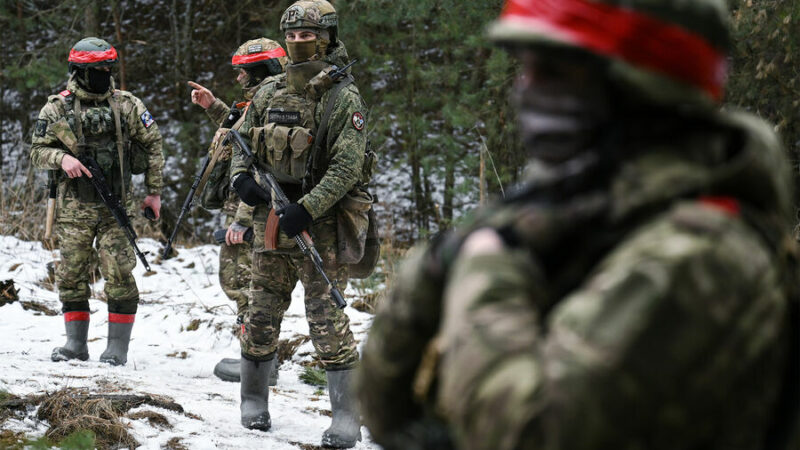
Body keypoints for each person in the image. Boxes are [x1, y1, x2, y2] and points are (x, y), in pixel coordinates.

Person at [358, 1, 800, 449]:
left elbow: (535, 436)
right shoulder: (571, 210)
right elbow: (384, 413)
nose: (526, 91)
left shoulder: (701, 255)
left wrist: (487, 272)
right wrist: (430, 276)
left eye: (553, 72)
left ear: (640, 90)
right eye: (526, 69)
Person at [230, 1, 373, 446]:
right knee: (260, 313)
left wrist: (307, 208)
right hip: (270, 217)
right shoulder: (269, 91)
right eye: (291, 36)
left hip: (321, 226)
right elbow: (242, 137)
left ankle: (347, 416)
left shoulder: (342, 96)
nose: (298, 42)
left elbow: (347, 168)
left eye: (307, 35)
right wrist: (240, 179)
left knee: (327, 321)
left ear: (326, 36)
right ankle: (253, 399)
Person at [31, 37, 164, 366]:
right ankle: (75, 345)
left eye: (107, 67)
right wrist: (62, 159)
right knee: (72, 275)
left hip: (115, 208)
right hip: (74, 210)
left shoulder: (127, 105)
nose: (103, 74)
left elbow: (153, 145)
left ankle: (117, 350)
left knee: (119, 273)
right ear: (78, 71)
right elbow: (37, 151)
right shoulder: (57, 107)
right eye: (96, 69)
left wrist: (154, 191)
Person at [189, 38, 288, 384]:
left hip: (252, 211)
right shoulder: (266, 100)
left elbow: (259, 165)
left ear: (260, 71)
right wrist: (214, 106)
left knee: (244, 283)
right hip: (248, 208)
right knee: (247, 284)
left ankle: (259, 363)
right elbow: (240, 134)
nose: (238, 78)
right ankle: (258, 359)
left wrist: (241, 219)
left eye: (243, 71)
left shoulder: (270, 101)